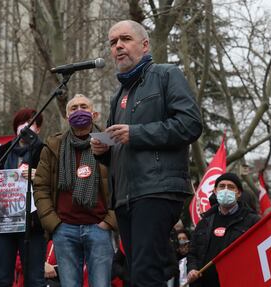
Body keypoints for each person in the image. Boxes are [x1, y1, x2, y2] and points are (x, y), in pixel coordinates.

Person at [90, 20, 202, 287]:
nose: (118, 46)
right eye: (113, 42)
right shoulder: (118, 94)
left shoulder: (166, 75)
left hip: (157, 188)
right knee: (138, 271)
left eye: (125, 39)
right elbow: (121, 144)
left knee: (145, 271)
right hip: (125, 196)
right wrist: (103, 150)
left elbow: (190, 124)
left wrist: (137, 133)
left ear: (145, 44)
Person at [33, 94, 116, 287]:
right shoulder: (53, 146)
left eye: (84, 107)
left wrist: (110, 221)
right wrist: (54, 224)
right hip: (65, 230)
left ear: (94, 114)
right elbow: (40, 186)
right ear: (67, 116)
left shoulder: (108, 142)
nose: (79, 111)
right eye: (74, 108)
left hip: (99, 228)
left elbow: (123, 182)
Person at [0, 108, 46, 287]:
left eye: (31, 122)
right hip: (3, 226)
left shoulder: (45, 152)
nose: (26, 126)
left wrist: (39, 176)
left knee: (35, 280)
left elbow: (54, 183)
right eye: (22, 122)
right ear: (15, 127)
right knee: (2, 280)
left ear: (38, 128)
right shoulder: (2, 152)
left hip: (32, 226)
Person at [186, 173, 260, 287]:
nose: (226, 190)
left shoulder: (252, 221)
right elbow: (192, 252)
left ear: (239, 193)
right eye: (222, 186)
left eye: (231, 187)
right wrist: (192, 269)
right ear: (215, 191)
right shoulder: (205, 221)